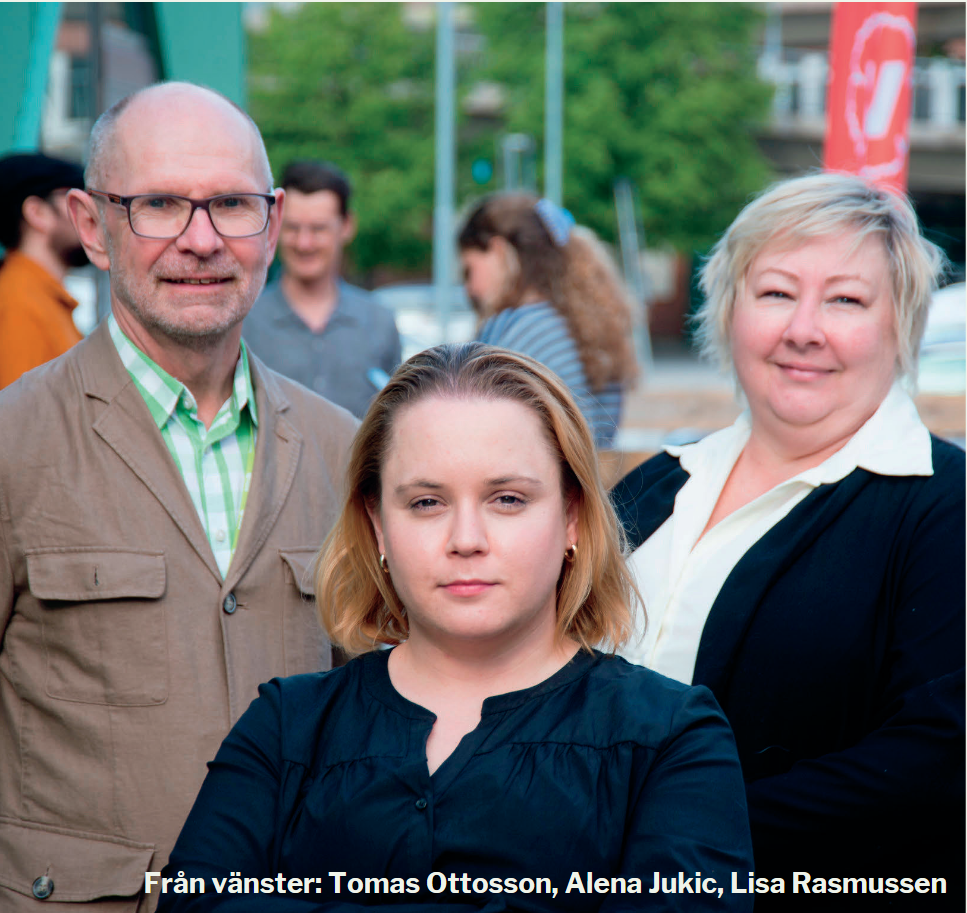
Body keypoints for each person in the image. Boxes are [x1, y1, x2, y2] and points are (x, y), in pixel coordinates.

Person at [0, 82, 357, 913]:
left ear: (271, 225)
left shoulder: (344, 450)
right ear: (91, 226)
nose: (200, 240)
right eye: (160, 204)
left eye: (232, 205)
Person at [159, 343, 754, 913]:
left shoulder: (673, 739)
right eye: (426, 503)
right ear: (377, 525)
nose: (466, 540)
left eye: (508, 499)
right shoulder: (285, 729)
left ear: (572, 516)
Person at [611, 172, 965, 895]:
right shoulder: (656, 484)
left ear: (899, 324)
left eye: (845, 299)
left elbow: (937, 759)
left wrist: (669, 826)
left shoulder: (944, 508)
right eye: (775, 292)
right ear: (727, 310)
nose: (803, 329)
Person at [458, 193, 639, 450]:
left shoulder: (511, 329)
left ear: (498, 252)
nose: (468, 289)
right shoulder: (588, 329)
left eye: (469, 270)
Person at [242, 160, 401, 417]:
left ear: (347, 226)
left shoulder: (380, 323)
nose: (304, 243)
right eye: (293, 228)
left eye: (318, 229)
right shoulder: (245, 322)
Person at [0, 152, 89, 413]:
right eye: (76, 201)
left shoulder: (34, 300)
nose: (93, 216)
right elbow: (18, 446)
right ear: (37, 213)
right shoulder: (16, 311)